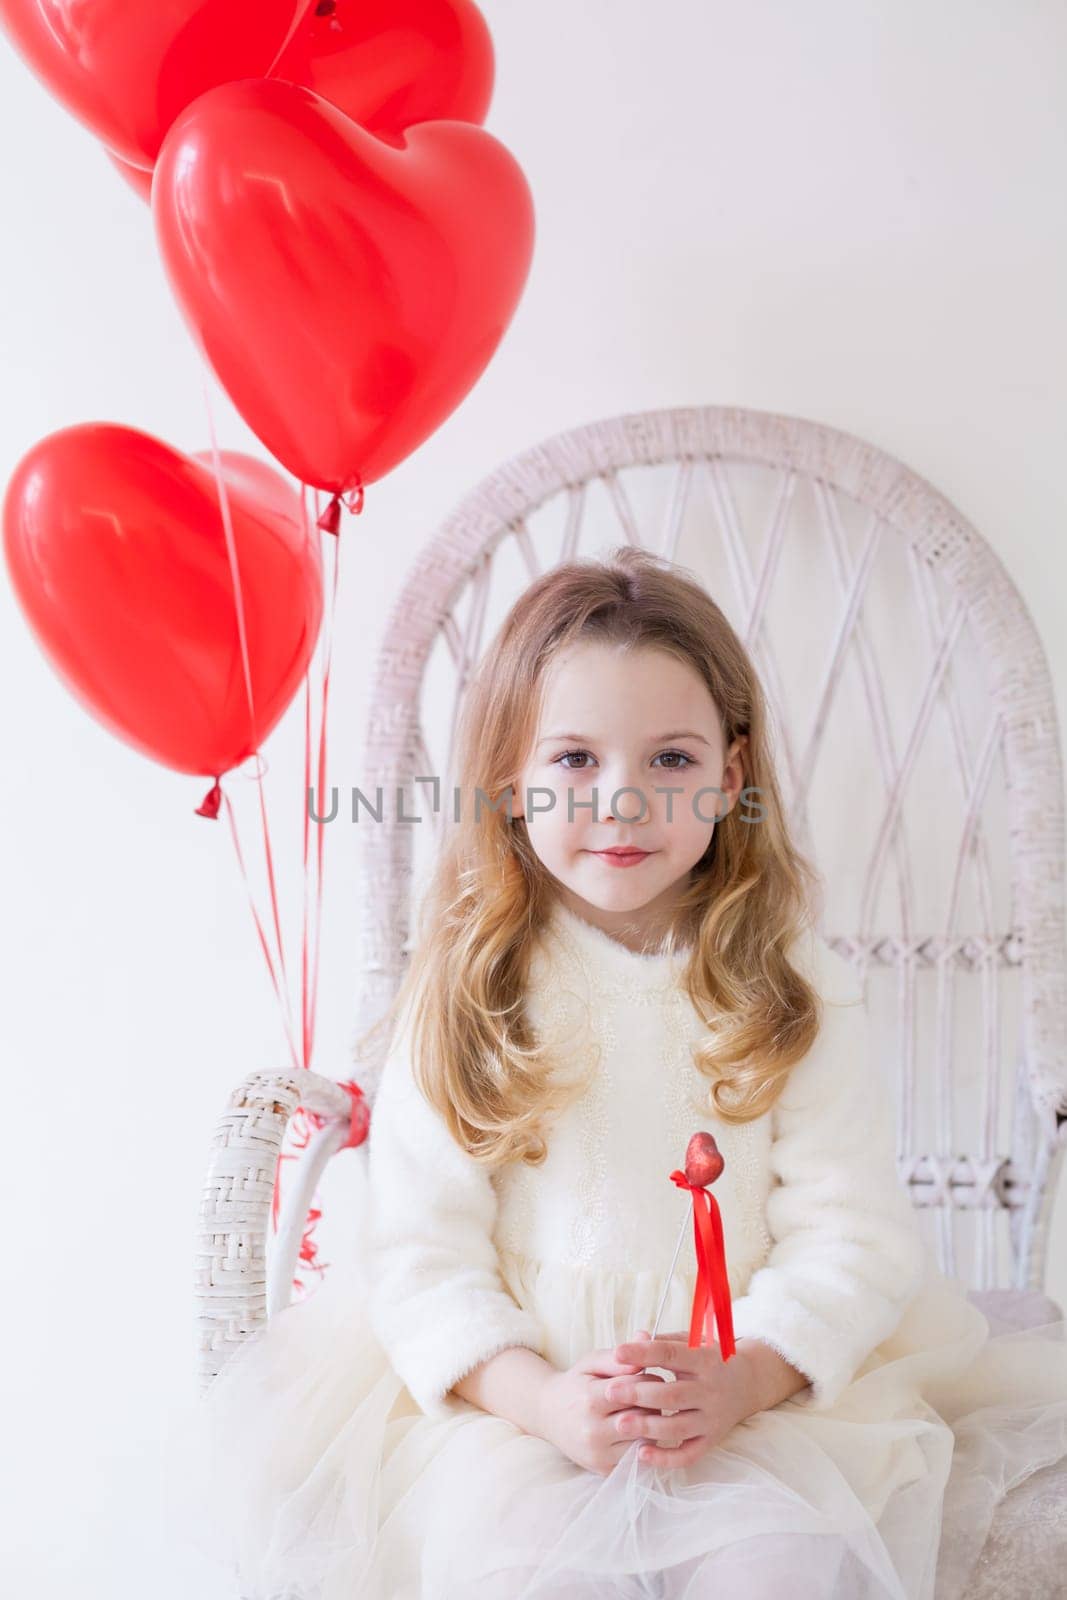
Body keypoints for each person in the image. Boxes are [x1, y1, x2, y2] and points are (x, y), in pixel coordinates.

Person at [165, 545, 1067, 1599]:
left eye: (671, 761)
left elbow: (851, 1233)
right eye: (575, 760)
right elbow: (422, 1253)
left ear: (732, 777)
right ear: (507, 779)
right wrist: (543, 1401)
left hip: (752, 1396)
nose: (623, 801)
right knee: (525, 1569)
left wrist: (739, 1382)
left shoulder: (789, 986)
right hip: (513, 1409)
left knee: (780, 1564)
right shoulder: (465, 989)